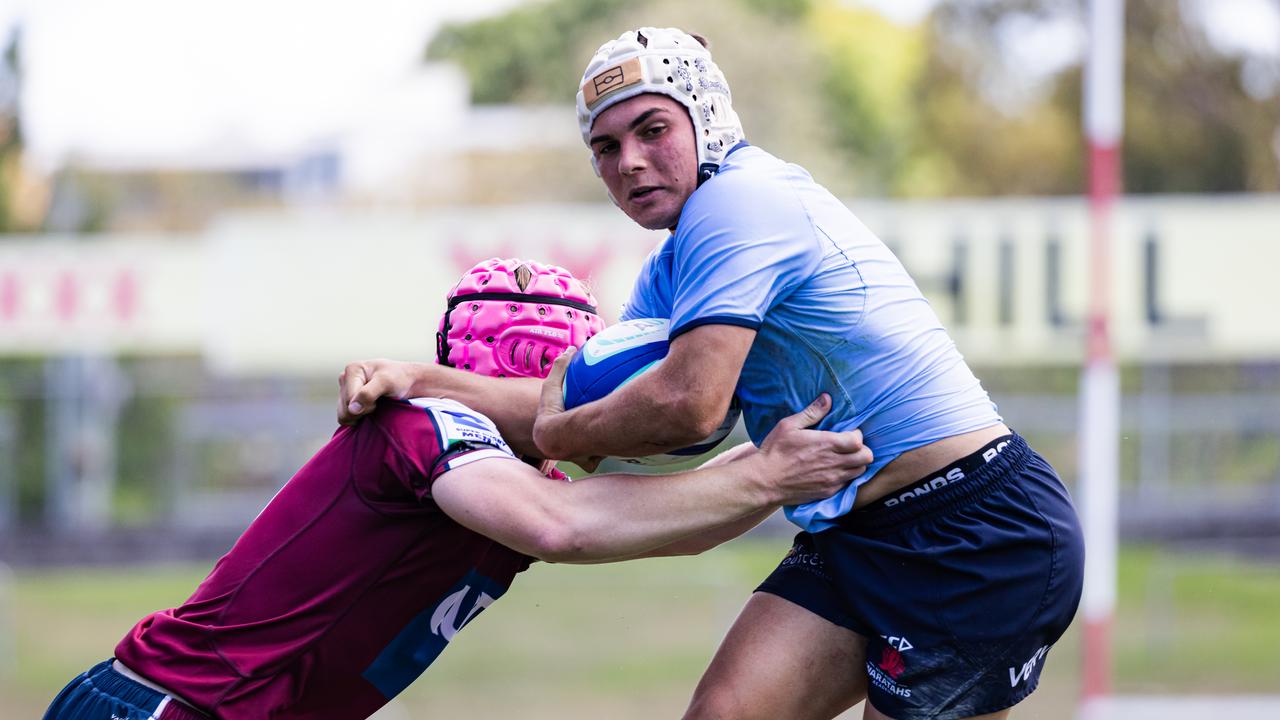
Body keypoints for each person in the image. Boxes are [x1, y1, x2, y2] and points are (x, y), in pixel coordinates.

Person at [341, 28, 1086, 720]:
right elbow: (577, 400)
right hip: (862, 533)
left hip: (975, 533)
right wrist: (417, 381)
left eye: (652, 130)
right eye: (604, 147)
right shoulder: (676, 259)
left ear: (708, 119)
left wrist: (561, 431)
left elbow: (685, 406)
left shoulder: (739, 201)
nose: (628, 160)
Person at [43, 258, 872, 720]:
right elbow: (562, 528)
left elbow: (678, 523)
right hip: (164, 709)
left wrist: (784, 458)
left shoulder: (510, 470)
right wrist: (766, 472)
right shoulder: (429, 429)